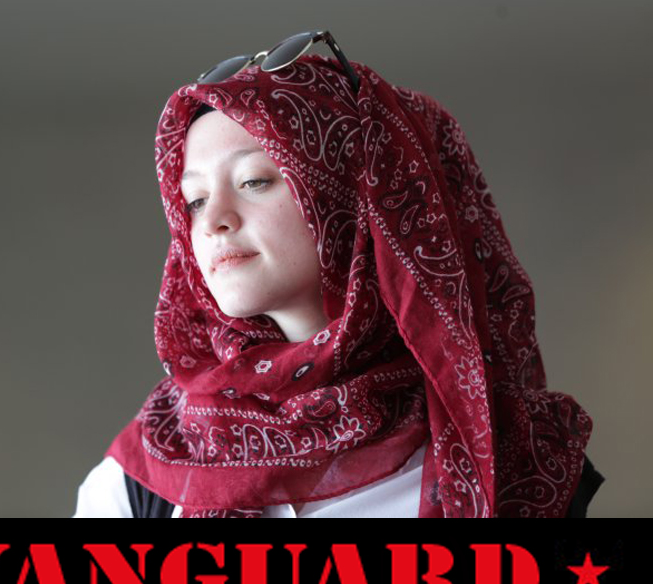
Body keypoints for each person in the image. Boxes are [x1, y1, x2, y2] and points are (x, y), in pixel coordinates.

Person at [74, 46, 603, 518]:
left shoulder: (520, 461)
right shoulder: (143, 476)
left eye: (254, 181)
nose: (213, 221)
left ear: (356, 198)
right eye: (194, 200)